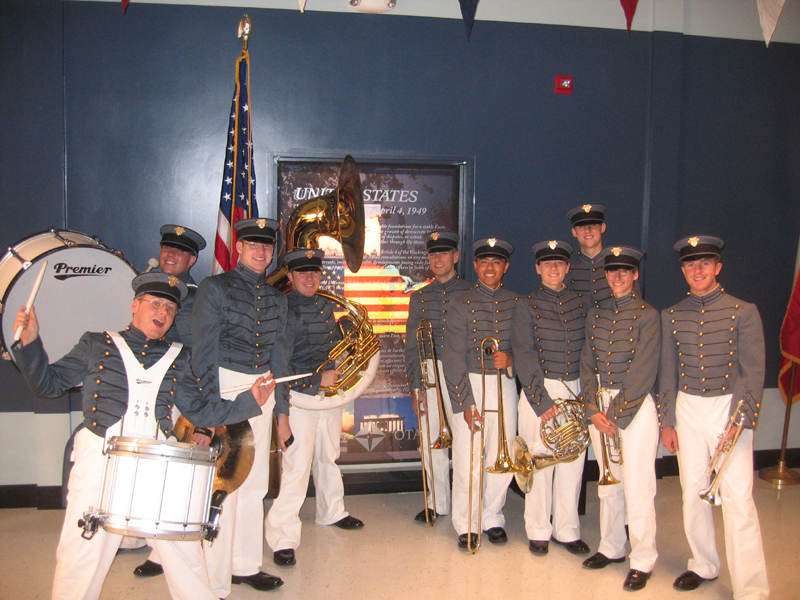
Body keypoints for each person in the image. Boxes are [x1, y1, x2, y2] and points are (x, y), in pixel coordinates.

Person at [11, 272, 272, 600]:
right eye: (156, 304)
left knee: (182, 551)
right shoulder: (96, 344)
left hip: (156, 465)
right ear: (135, 305)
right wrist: (31, 342)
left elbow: (203, 411)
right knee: (82, 553)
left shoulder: (180, 356)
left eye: (170, 309)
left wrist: (250, 401)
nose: (163, 313)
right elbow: (48, 385)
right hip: (99, 461)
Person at [658, 235, 769, 598]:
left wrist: (739, 422)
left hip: (728, 410)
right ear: (683, 270)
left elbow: (752, 372)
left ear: (718, 267)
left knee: (738, 499)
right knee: (693, 492)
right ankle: (704, 564)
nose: (698, 270)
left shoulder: (743, 311)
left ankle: (751, 588)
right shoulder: (671, 315)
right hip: (688, 409)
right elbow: (669, 373)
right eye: (691, 265)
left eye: (705, 263)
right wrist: (667, 421)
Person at [192, 218, 288, 596]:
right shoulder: (214, 288)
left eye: (267, 246)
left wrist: (281, 410)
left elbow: (279, 357)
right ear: (238, 248)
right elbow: (202, 352)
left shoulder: (277, 298)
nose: (261, 252)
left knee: (253, 481)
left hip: (263, 387)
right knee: (223, 483)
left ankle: (245, 565)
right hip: (225, 386)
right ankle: (215, 573)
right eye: (253, 244)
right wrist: (205, 411)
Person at [265, 248, 365, 567]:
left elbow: (332, 345)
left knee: (328, 456)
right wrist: (315, 381)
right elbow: (278, 367)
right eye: (303, 273)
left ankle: (332, 511)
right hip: (301, 398)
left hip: (328, 396)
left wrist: (350, 356)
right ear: (290, 276)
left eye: (315, 272)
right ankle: (282, 536)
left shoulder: (325, 305)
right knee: (296, 467)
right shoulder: (283, 309)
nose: (310, 278)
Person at [579, 246, 659, 592]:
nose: (619, 277)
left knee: (639, 486)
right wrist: (592, 410)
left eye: (625, 271)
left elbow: (643, 370)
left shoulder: (648, 314)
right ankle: (611, 547)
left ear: (635, 275)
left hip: (635, 408)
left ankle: (642, 559)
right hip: (600, 406)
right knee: (608, 482)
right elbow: (586, 364)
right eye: (613, 271)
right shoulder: (596, 314)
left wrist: (615, 413)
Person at [133, 223, 206, 577]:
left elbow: (202, 348)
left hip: (183, 391)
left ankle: (168, 552)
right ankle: (153, 544)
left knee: (178, 474)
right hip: (146, 388)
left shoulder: (199, 295)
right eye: (167, 249)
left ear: (192, 259)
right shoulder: (147, 286)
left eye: (179, 253)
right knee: (151, 469)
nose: (170, 256)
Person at [512, 240, 589, 557]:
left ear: (568, 267)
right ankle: (539, 529)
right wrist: (541, 401)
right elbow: (524, 354)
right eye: (547, 264)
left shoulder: (582, 304)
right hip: (539, 392)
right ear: (537, 268)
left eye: (559, 263)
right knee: (540, 464)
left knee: (572, 463)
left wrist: (585, 394)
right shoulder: (527, 305)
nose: (554, 268)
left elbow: (589, 352)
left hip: (575, 390)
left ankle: (567, 530)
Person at [443, 237, 520, 549]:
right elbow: (452, 358)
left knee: (502, 454)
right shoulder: (460, 304)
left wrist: (511, 359)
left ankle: (491, 516)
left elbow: (526, 348)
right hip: (472, 382)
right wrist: (464, 402)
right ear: (474, 266)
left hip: (504, 384)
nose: (490, 268)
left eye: (496, 262)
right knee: (468, 457)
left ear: (506, 267)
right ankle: (466, 521)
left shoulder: (517, 303)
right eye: (484, 262)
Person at [403, 230, 471, 523]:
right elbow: (410, 344)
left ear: (455, 257)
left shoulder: (471, 292)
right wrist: (416, 386)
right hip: (430, 371)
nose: (438, 259)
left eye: (444, 253)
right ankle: (437, 502)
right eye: (433, 254)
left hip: (464, 371)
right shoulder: (420, 296)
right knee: (432, 440)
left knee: (466, 441)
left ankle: (467, 503)